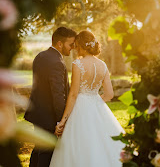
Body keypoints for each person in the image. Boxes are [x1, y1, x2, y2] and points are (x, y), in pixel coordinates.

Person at [50, 30, 125, 167]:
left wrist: (63, 120)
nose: (75, 49)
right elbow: (109, 94)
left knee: (78, 145)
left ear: (82, 46)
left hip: (80, 107)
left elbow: (73, 95)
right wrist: (95, 103)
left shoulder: (77, 64)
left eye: (77, 45)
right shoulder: (103, 65)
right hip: (97, 104)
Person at [24, 27, 77, 167]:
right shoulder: (57, 63)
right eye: (70, 44)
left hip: (36, 113)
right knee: (46, 154)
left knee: (38, 149)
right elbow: (58, 95)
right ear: (60, 44)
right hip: (49, 117)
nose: (72, 48)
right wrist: (61, 121)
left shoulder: (40, 56)